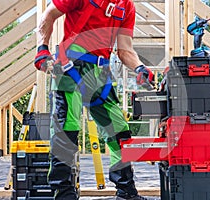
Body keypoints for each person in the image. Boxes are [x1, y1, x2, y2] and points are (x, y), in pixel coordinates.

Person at [34, 0, 155, 199]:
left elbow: (125, 50)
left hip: (100, 73)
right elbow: (48, 15)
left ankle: (126, 192)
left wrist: (140, 68)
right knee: (67, 131)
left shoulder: (127, 6)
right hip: (69, 68)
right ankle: (64, 194)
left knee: (119, 132)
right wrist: (42, 49)